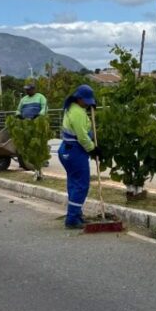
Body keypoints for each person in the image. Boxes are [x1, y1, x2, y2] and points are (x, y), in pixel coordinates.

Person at [58, 85, 102, 229]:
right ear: (79, 98)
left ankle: (76, 214)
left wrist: (88, 109)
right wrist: (93, 149)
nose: (88, 104)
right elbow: (82, 137)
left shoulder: (72, 108)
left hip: (67, 150)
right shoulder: (77, 113)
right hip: (75, 150)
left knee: (74, 184)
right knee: (81, 185)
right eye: (87, 101)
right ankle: (72, 219)